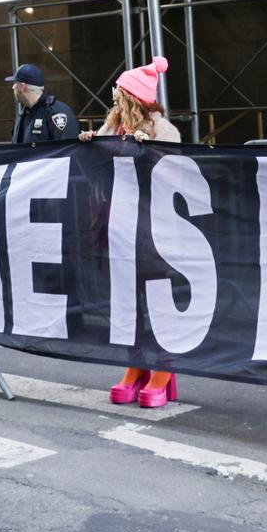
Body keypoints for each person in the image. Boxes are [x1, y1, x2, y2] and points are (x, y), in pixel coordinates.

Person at [78, 56, 182, 408]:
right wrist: (90, 145)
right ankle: (134, 364)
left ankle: (163, 369)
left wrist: (149, 150)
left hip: (152, 230)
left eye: (120, 96)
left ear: (134, 99)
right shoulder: (112, 127)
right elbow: (96, 171)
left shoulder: (163, 130)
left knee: (156, 298)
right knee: (125, 301)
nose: (114, 102)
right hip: (117, 225)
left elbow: (176, 174)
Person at [6, 63, 80, 143]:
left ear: (23, 87)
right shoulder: (22, 115)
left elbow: (68, 149)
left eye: (15, 83)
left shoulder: (57, 112)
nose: (12, 87)